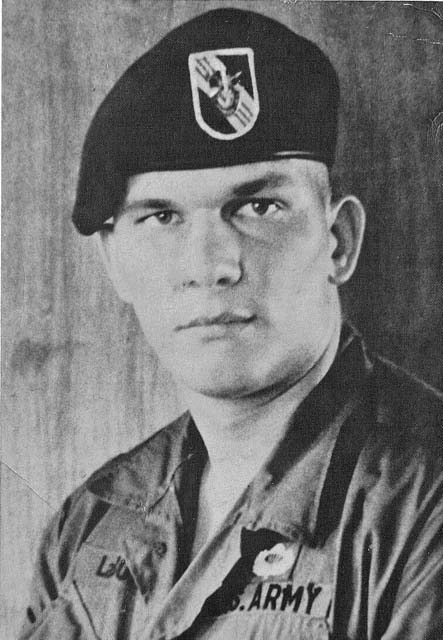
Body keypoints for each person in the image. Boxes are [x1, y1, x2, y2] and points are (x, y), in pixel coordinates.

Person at [19, 8, 443, 640]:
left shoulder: (422, 509)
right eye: (162, 217)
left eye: (259, 207)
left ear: (339, 242)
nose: (210, 266)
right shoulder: (89, 523)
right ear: (115, 265)